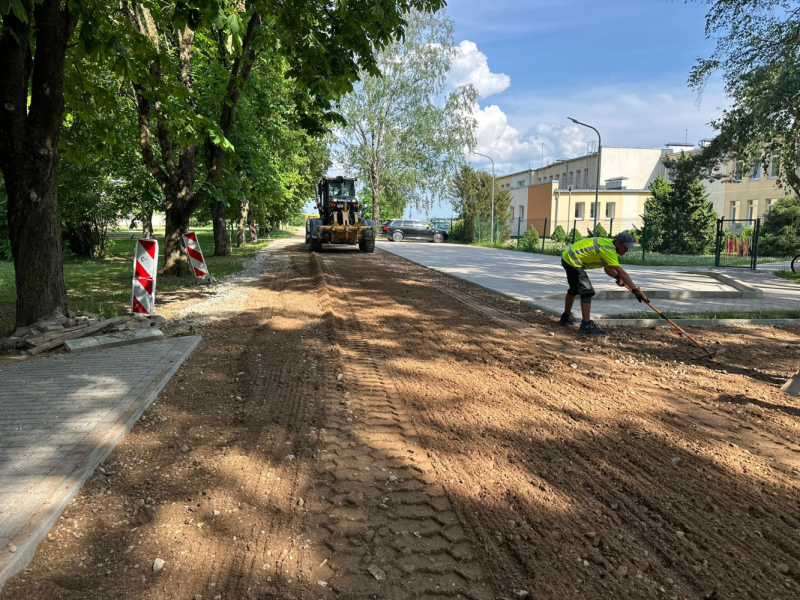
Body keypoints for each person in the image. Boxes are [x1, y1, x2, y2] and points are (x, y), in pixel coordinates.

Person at [559, 231, 648, 335]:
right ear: (618, 243)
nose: (627, 250)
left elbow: (608, 268)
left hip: (568, 258)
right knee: (587, 291)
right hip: (572, 261)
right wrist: (635, 290)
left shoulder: (610, 246)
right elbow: (622, 272)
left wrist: (616, 277)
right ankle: (586, 325)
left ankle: (566, 317)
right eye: (625, 247)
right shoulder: (609, 249)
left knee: (573, 290)